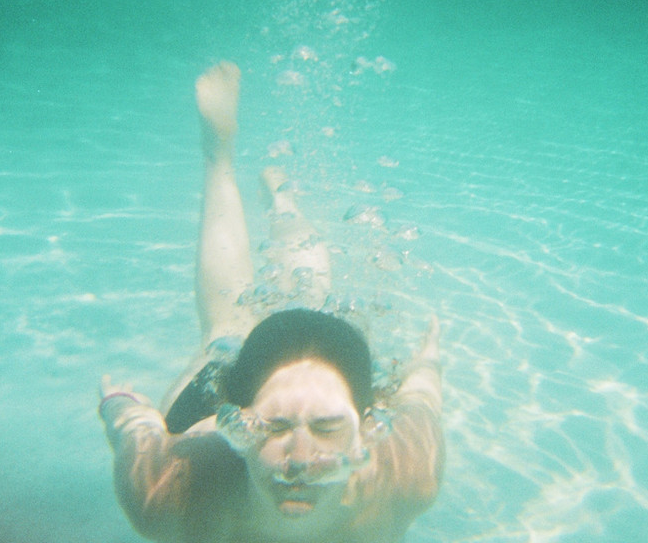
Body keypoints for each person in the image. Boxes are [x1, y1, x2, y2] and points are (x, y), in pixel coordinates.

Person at [99, 61, 443, 543]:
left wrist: (428, 364)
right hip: (202, 426)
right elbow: (134, 435)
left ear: (368, 429)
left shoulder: (405, 479)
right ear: (237, 425)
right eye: (274, 427)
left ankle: (284, 203)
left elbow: (420, 398)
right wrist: (122, 409)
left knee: (309, 294)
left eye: (326, 428)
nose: (299, 462)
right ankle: (218, 152)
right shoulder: (171, 495)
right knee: (227, 326)